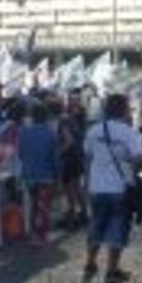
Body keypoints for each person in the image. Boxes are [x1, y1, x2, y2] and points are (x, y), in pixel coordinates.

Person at [82, 93, 142, 283]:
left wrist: (87, 182)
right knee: (117, 227)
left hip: (96, 186)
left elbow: (87, 157)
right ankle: (112, 269)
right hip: (119, 187)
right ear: (124, 110)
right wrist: (134, 162)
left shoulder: (93, 130)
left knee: (96, 224)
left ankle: (90, 262)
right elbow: (139, 157)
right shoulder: (128, 132)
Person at [18, 103, 59, 244]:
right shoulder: (51, 133)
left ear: (32, 117)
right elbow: (55, 157)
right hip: (46, 175)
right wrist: (57, 175)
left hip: (29, 174)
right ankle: (42, 234)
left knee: (33, 204)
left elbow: (21, 154)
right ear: (46, 117)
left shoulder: (23, 132)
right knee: (44, 207)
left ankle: (33, 233)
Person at [59, 90, 89, 229]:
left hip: (70, 158)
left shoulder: (66, 119)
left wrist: (59, 152)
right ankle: (83, 213)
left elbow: (69, 141)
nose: (70, 102)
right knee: (77, 188)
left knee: (70, 189)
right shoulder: (80, 117)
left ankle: (72, 215)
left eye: (73, 100)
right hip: (78, 157)